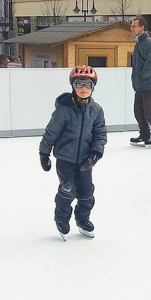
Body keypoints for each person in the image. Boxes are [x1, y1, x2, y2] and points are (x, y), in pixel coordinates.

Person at [39, 65, 107, 240]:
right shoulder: (63, 110)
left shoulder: (96, 110)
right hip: (65, 159)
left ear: (93, 87)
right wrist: (44, 153)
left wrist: (95, 154)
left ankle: (83, 219)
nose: (83, 89)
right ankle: (61, 218)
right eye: (79, 85)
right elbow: (51, 132)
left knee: (86, 192)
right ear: (73, 87)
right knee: (68, 189)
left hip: (85, 159)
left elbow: (100, 134)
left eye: (87, 85)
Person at [129, 17, 151, 148]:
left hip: (149, 83)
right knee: (138, 110)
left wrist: (143, 75)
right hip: (140, 84)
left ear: (142, 27)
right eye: (131, 26)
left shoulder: (149, 42)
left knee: (148, 110)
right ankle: (144, 134)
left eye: (134, 26)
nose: (132, 29)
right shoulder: (138, 43)